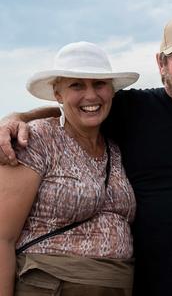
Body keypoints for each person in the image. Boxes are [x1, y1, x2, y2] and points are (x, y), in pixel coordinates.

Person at [0, 15, 172, 295]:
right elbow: (75, 112)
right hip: (142, 284)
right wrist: (17, 118)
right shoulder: (134, 108)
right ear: (161, 63)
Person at [0, 42, 139, 294]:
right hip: (49, 286)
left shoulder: (115, 148)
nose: (91, 96)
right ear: (58, 93)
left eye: (99, 84)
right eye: (76, 85)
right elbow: (2, 238)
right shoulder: (35, 139)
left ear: (111, 91)